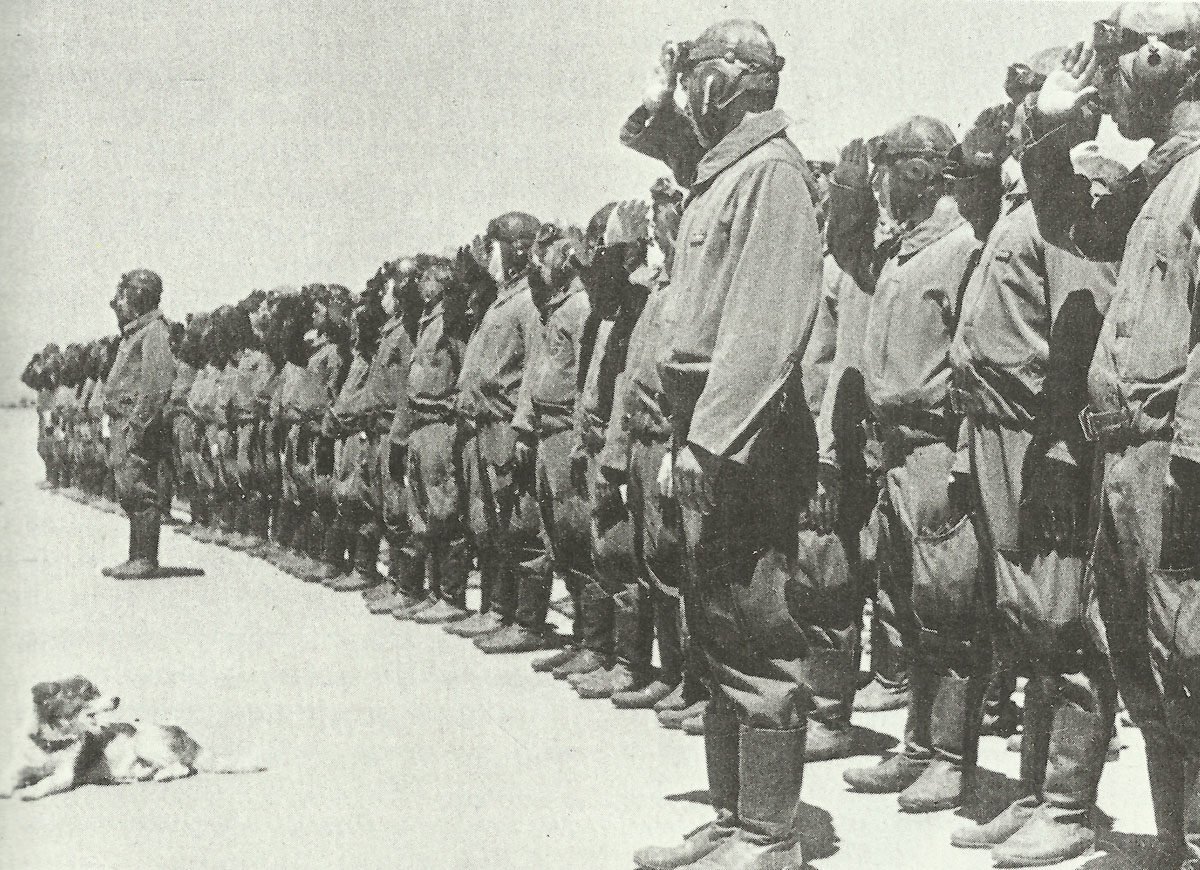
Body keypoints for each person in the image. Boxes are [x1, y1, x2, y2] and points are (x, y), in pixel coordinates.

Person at [633, 19, 823, 870]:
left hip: (747, 442)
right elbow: (655, 136)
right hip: (708, 436)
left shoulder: (771, 175)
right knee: (716, 631)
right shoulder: (724, 174)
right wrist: (662, 88)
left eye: (699, 74)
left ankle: (768, 835)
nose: (689, 90)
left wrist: (705, 444)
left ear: (732, 82)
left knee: (757, 630)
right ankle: (731, 815)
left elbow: (765, 330)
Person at [1020, 7, 1200, 866]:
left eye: (1124, 58)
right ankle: (1177, 845)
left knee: (1192, 665)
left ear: (1169, 61)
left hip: (1179, 471)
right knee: (1148, 665)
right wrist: (1056, 124)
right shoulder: (1165, 177)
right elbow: (1073, 226)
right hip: (1132, 465)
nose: (1113, 75)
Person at [947, 101, 1121, 866]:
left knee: (1061, 620)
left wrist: (1056, 452)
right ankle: (1033, 790)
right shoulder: (1024, 209)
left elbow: (1077, 340)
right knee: (1023, 621)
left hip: (1038, 436)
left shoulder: (1065, 206)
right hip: (993, 433)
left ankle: (1068, 803)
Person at [830, 115, 986, 815]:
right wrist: (846, 184)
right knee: (902, 601)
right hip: (892, 450)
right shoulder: (897, 254)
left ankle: (951, 759)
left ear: (919, 173)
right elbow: (845, 244)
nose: (881, 185)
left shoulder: (961, 250)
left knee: (947, 606)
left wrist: (959, 465)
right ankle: (917, 748)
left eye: (887, 170)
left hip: (934, 449)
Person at [603, 178, 690, 713]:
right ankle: (673, 671)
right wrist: (621, 243)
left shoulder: (695, 285)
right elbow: (610, 294)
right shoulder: (656, 288)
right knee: (653, 563)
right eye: (657, 219)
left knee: (679, 568)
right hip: (642, 442)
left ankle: (695, 681)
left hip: (670, 445)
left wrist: (681, 446)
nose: (662, 226)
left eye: (670, 216)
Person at [101, 269, 198, 579]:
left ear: (138, 299)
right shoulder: (136, 332)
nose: (115, 303)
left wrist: (137, 427)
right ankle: (136, 557)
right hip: (124, 425)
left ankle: (145, 558)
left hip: (136, 427)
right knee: (129, 489)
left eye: (122, 296)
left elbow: (157, 386)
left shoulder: (154, 331)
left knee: (140, 490)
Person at [395, 257, 473, 622]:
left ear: (442, 285)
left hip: (442, 426)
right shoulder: (425, 324)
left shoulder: (451, 322)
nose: (420, 285)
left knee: (446, 512)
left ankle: (451, 596)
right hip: (420, 427)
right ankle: (431, 590)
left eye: (426, 279)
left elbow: (464, 368)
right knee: (424, 513)